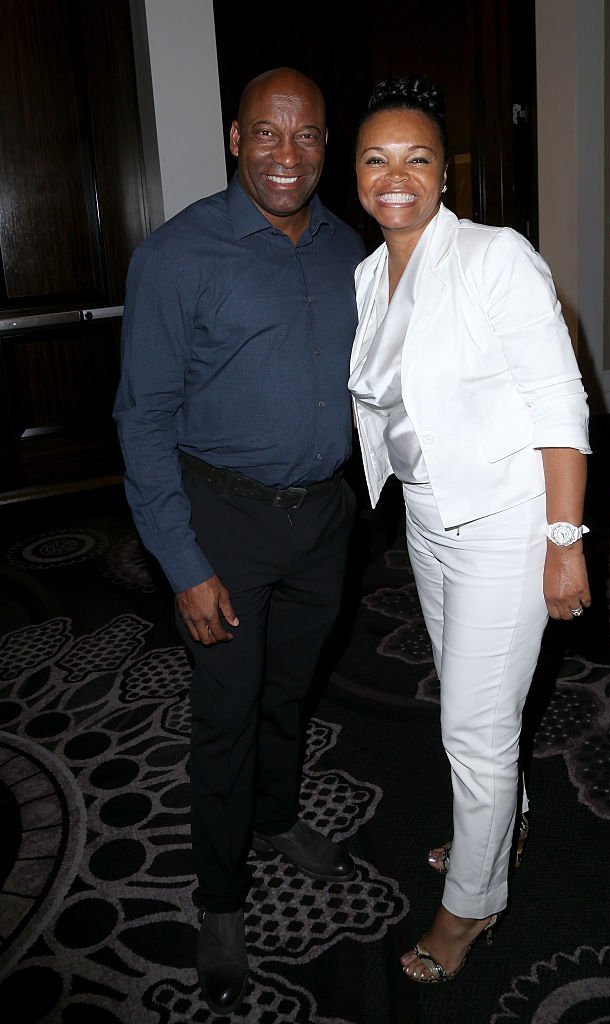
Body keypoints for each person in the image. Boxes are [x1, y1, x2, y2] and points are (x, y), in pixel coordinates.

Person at [113, 67, 366, 1015]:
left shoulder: (351, 247)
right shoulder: (178, 256)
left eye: (305, 138)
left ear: (324, 144)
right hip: (221, 519)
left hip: (324, 519)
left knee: (288, 691)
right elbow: (141, 420)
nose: (286, 156)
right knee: (226, 711)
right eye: (267, 134)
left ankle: (274, 817)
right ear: (233, 137)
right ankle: (220, 896)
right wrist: (182, 564)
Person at [348, 74, 591, 985]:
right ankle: (503, 825)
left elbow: (559, 404)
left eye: (416, 158)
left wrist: (562, 540)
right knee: (470, 704)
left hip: (505, 522)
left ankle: (471, 907)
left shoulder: (495, 256)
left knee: (472, 728)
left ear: (444, 174)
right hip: (430, 517)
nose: (395, 176)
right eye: (376, 158)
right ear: (357, 174)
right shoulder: (371, 273)